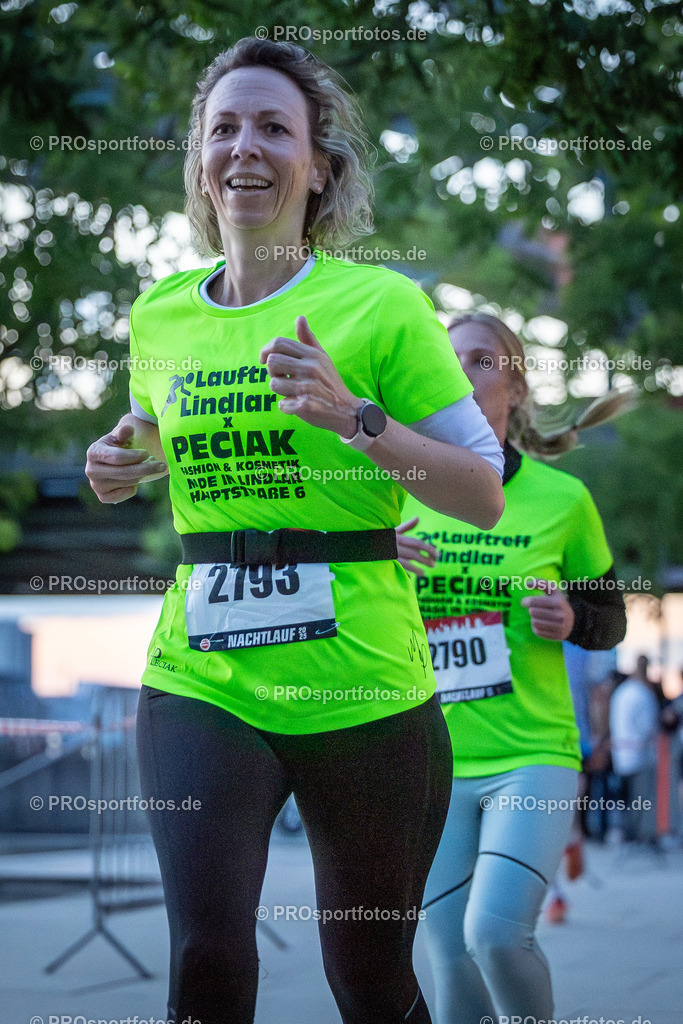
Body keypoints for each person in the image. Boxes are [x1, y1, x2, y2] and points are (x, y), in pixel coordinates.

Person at [84, 39, 505, 1024]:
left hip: (362, 685)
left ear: (320, 166)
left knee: (365, 980)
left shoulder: (381, 306)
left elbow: (481, 494)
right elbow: (157, 437)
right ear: (198, 161)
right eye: (222, 127)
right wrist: (121, 457)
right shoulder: (158, 316)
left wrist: (356, 418)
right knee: (208, 957)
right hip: (204, 677)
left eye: (274, 127)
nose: (245, 146)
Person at [397, 312, 628, 1023]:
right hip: (431, 757)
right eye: (448, 358)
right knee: (449, 958)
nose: (462, 371)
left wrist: (571, 618)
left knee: (494, 935)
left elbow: (608, 619)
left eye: (480, 359)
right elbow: (345, 613)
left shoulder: (562, 499)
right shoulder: (395, 486)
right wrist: (374, 565)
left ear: (516, 386)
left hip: (531, 752)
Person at [609, 654, 660, 843]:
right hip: (639, 756)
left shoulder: (621, 692)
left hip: (621, 755)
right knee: (640, 802)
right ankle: (639, 838)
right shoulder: (642, 693)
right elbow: (648, 727)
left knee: (624, 799)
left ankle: (626, 835)